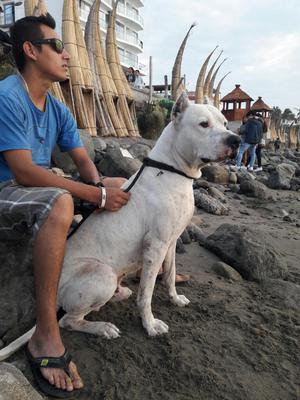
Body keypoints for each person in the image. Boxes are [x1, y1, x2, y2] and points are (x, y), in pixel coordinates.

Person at [0, 15, 130, 398]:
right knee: (61, 203)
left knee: (123, 184)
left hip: (34, 188)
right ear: (30, 50)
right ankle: (45, 334)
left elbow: (82, 160)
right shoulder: (8, 96)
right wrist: (90, 196)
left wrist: (99, 186)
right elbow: (23, 170)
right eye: (57, 46)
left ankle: (125, 271)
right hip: (7, 186)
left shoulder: (57, 109)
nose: (66, 55)